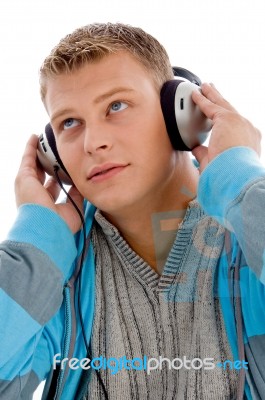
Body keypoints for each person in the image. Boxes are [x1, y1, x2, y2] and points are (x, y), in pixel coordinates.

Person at [0, 22, 264, 400]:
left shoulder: (247, 237)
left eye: (116, 106)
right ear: (53, 154)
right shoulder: (53, 277)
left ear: (181, 114)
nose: (94, 143)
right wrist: (37, 239)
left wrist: (239, 178)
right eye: (70, 123)